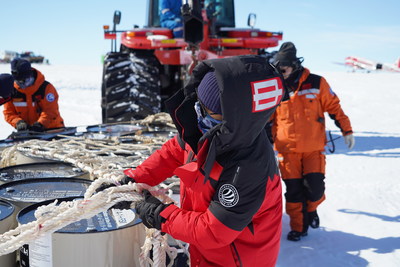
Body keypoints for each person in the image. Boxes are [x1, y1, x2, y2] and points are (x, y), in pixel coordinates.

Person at [103, 55, 285, 266]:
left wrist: (161, 215)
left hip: (235, 260)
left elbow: (212, 231)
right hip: (204, 251)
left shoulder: (249, 168)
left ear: (234, 118)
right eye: (200, 103)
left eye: (210, 112)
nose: (200, 112)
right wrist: (133, 179)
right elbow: (173, 152)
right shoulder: (206, 131)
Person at [270, 42, 355, 241]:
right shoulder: (275, 88)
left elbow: (334, 107)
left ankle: (311, 210)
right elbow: (265, 119)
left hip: (313, 149)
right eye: (278, 69)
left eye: (284, 68)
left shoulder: (317, 83)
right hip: (286, 150)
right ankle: (298, 228)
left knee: (315, 189)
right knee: (293, 192)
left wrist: (347, 130)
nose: (281, 73)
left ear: (294, 65)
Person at [3, 58, 64, 132]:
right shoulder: (11, 91)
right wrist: (18, 122)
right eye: (18, 82)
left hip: (52, 130)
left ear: (30, 76)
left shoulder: (46, 88)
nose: (22, 85)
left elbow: (50, 111)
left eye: (24, 81)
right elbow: (9, 113)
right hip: (28, 133)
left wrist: (40, 124)